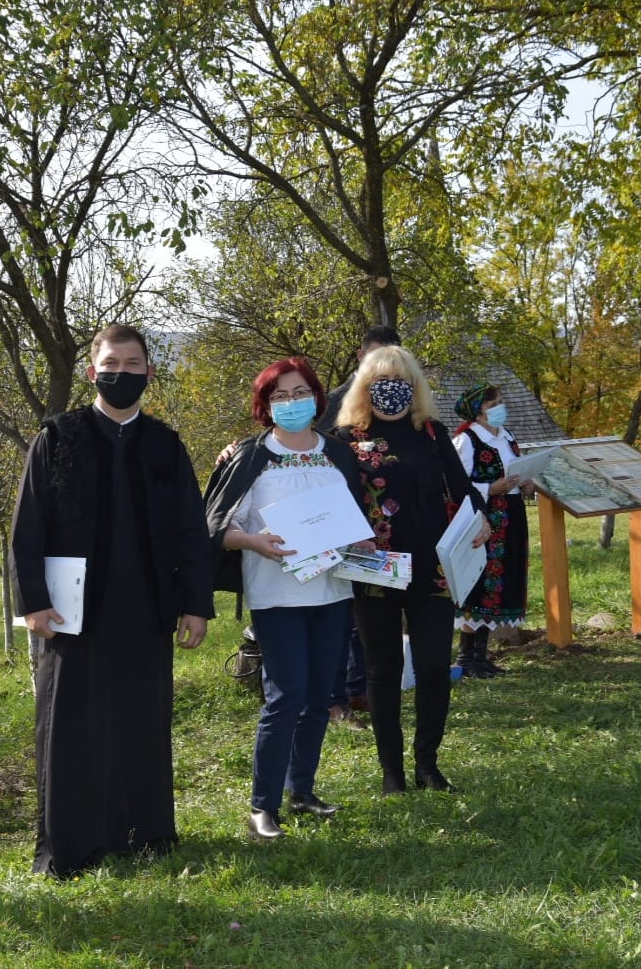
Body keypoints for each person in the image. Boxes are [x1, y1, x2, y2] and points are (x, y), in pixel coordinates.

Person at [10, 324, 214, 877]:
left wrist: (196, 604)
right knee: (72, 725)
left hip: (148, 608)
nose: (121, 373)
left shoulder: (166, 444)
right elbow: (27, 528)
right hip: (73, 612)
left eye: (132, 364)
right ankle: (72, 844)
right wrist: (33, 602)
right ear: (91, 371)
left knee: (141, 721)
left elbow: (191, 530)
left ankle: (144, 835)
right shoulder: (58, 437)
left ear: (149, 372)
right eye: (111, 365)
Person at [204, 357, 368, 839]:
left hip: (332, 591)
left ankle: (303, 791)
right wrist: (254, 542)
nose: (291, 403)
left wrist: (361, 540)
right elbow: (217, 527)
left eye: (300, 394)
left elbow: (356, 514)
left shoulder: (338, 454)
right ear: (265, 405)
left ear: (317, 399)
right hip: (276, 596)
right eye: (280, 396)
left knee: (319, 697)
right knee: (286, 696)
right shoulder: (249, 456)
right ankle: (263, 806)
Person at [336, 346, 489, 794]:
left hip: (433, 567)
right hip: (374, 569)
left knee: (435, 668)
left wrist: (480, 519)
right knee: (382, 672)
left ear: (415, 385)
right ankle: (392, 773)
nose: (392, 389)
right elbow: (316, 481)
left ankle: (428, 765)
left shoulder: (431, 432)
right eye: (381, 380)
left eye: (401, 380)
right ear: (364, 387)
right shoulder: (344, 438)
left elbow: (462, 488)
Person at [318, 324, 402, 730]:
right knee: (342, 618)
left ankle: (360, 689)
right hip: (342, 527)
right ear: (361, 357)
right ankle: (334, 700)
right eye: (376, 358)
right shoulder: (333, 402)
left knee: (365, 622)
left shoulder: (403, 408)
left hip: (385, 535)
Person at [452, 383, 533, 678]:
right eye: (492, 404)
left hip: (511, 516)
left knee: (497, 585)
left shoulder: (506, 436)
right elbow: (455, 483)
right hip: (483, 518)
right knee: (479, 581)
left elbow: (515, 470)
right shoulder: (467, 440)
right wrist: (490, 488)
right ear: (478, 412)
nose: (500, 407)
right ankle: (465, 657)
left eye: (500, 401)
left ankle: (481, 656)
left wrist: (526, 483)